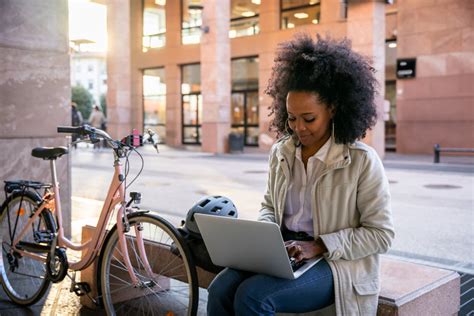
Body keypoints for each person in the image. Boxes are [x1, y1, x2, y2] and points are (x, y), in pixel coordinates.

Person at [207, 34, 395, 316]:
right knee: (220, 288)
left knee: (253, 297)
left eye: (309, 118)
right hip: (284, 251)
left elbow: (381, 234)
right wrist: (266, 238)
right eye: (291, 117)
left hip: (335, 263)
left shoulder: (361, 161)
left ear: (332, 109)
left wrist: (318, 245)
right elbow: (270, 206)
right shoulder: (282, 152)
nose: (298, 128)